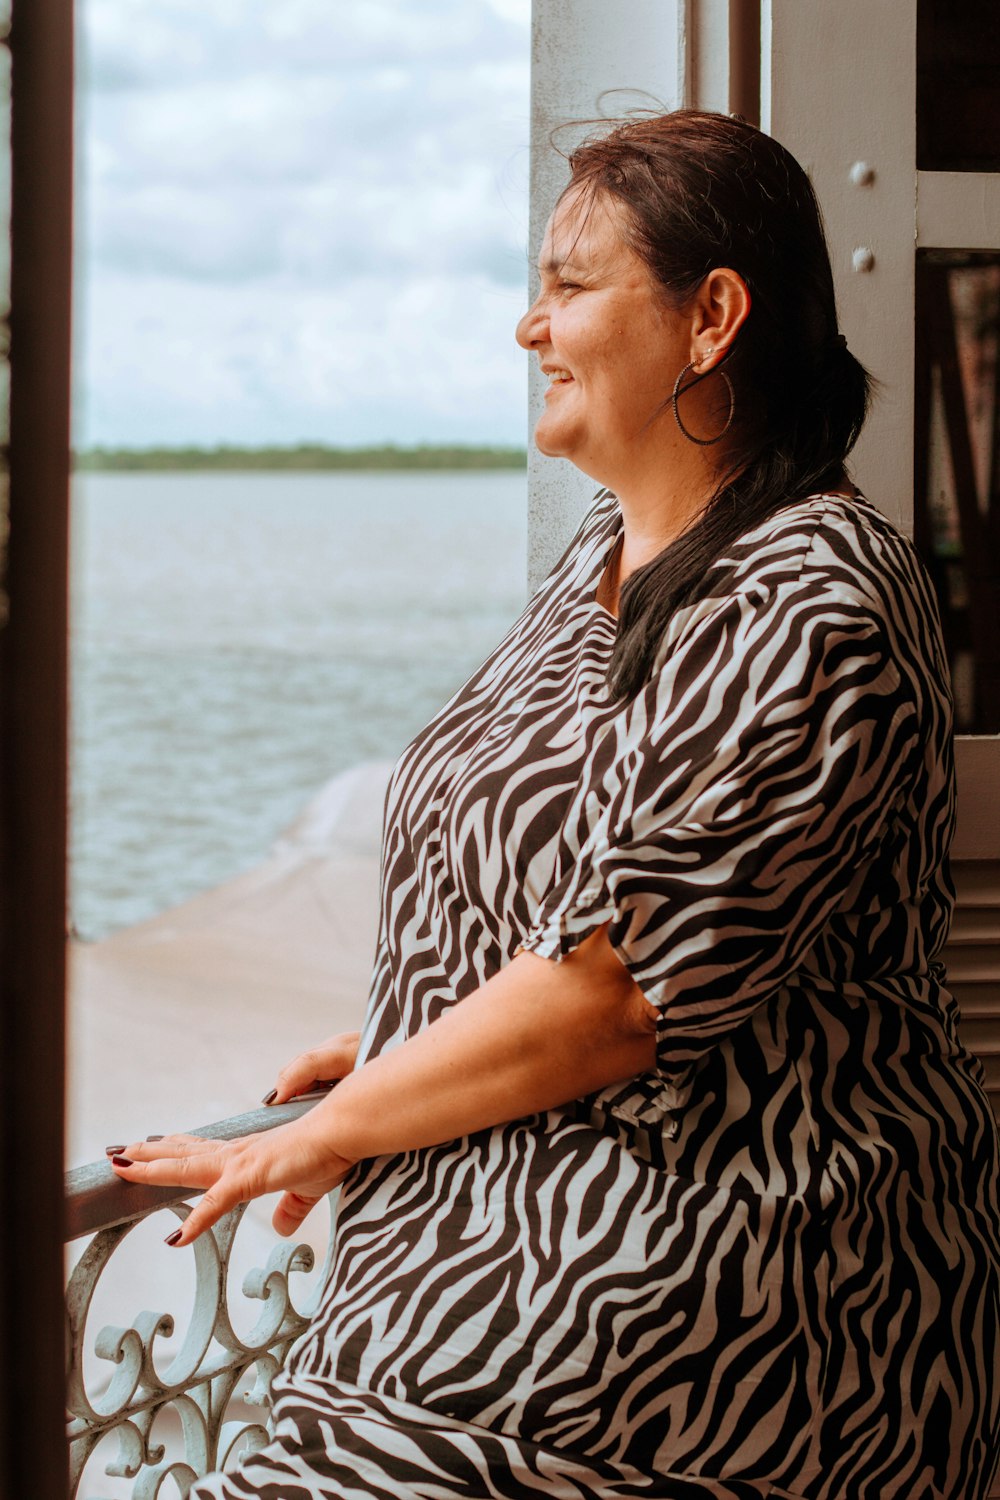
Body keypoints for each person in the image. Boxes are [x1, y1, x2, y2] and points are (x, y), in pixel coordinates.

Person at [111, 110, 1000, 1499]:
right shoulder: (605, 560)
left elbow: (618, 990)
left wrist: (331, 1130)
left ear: (712, 319)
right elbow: (559, 884)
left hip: (700, 1329)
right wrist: (413, 1027)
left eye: (573, 286)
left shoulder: (818, 588)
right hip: (488, 1293)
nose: (532, 328)